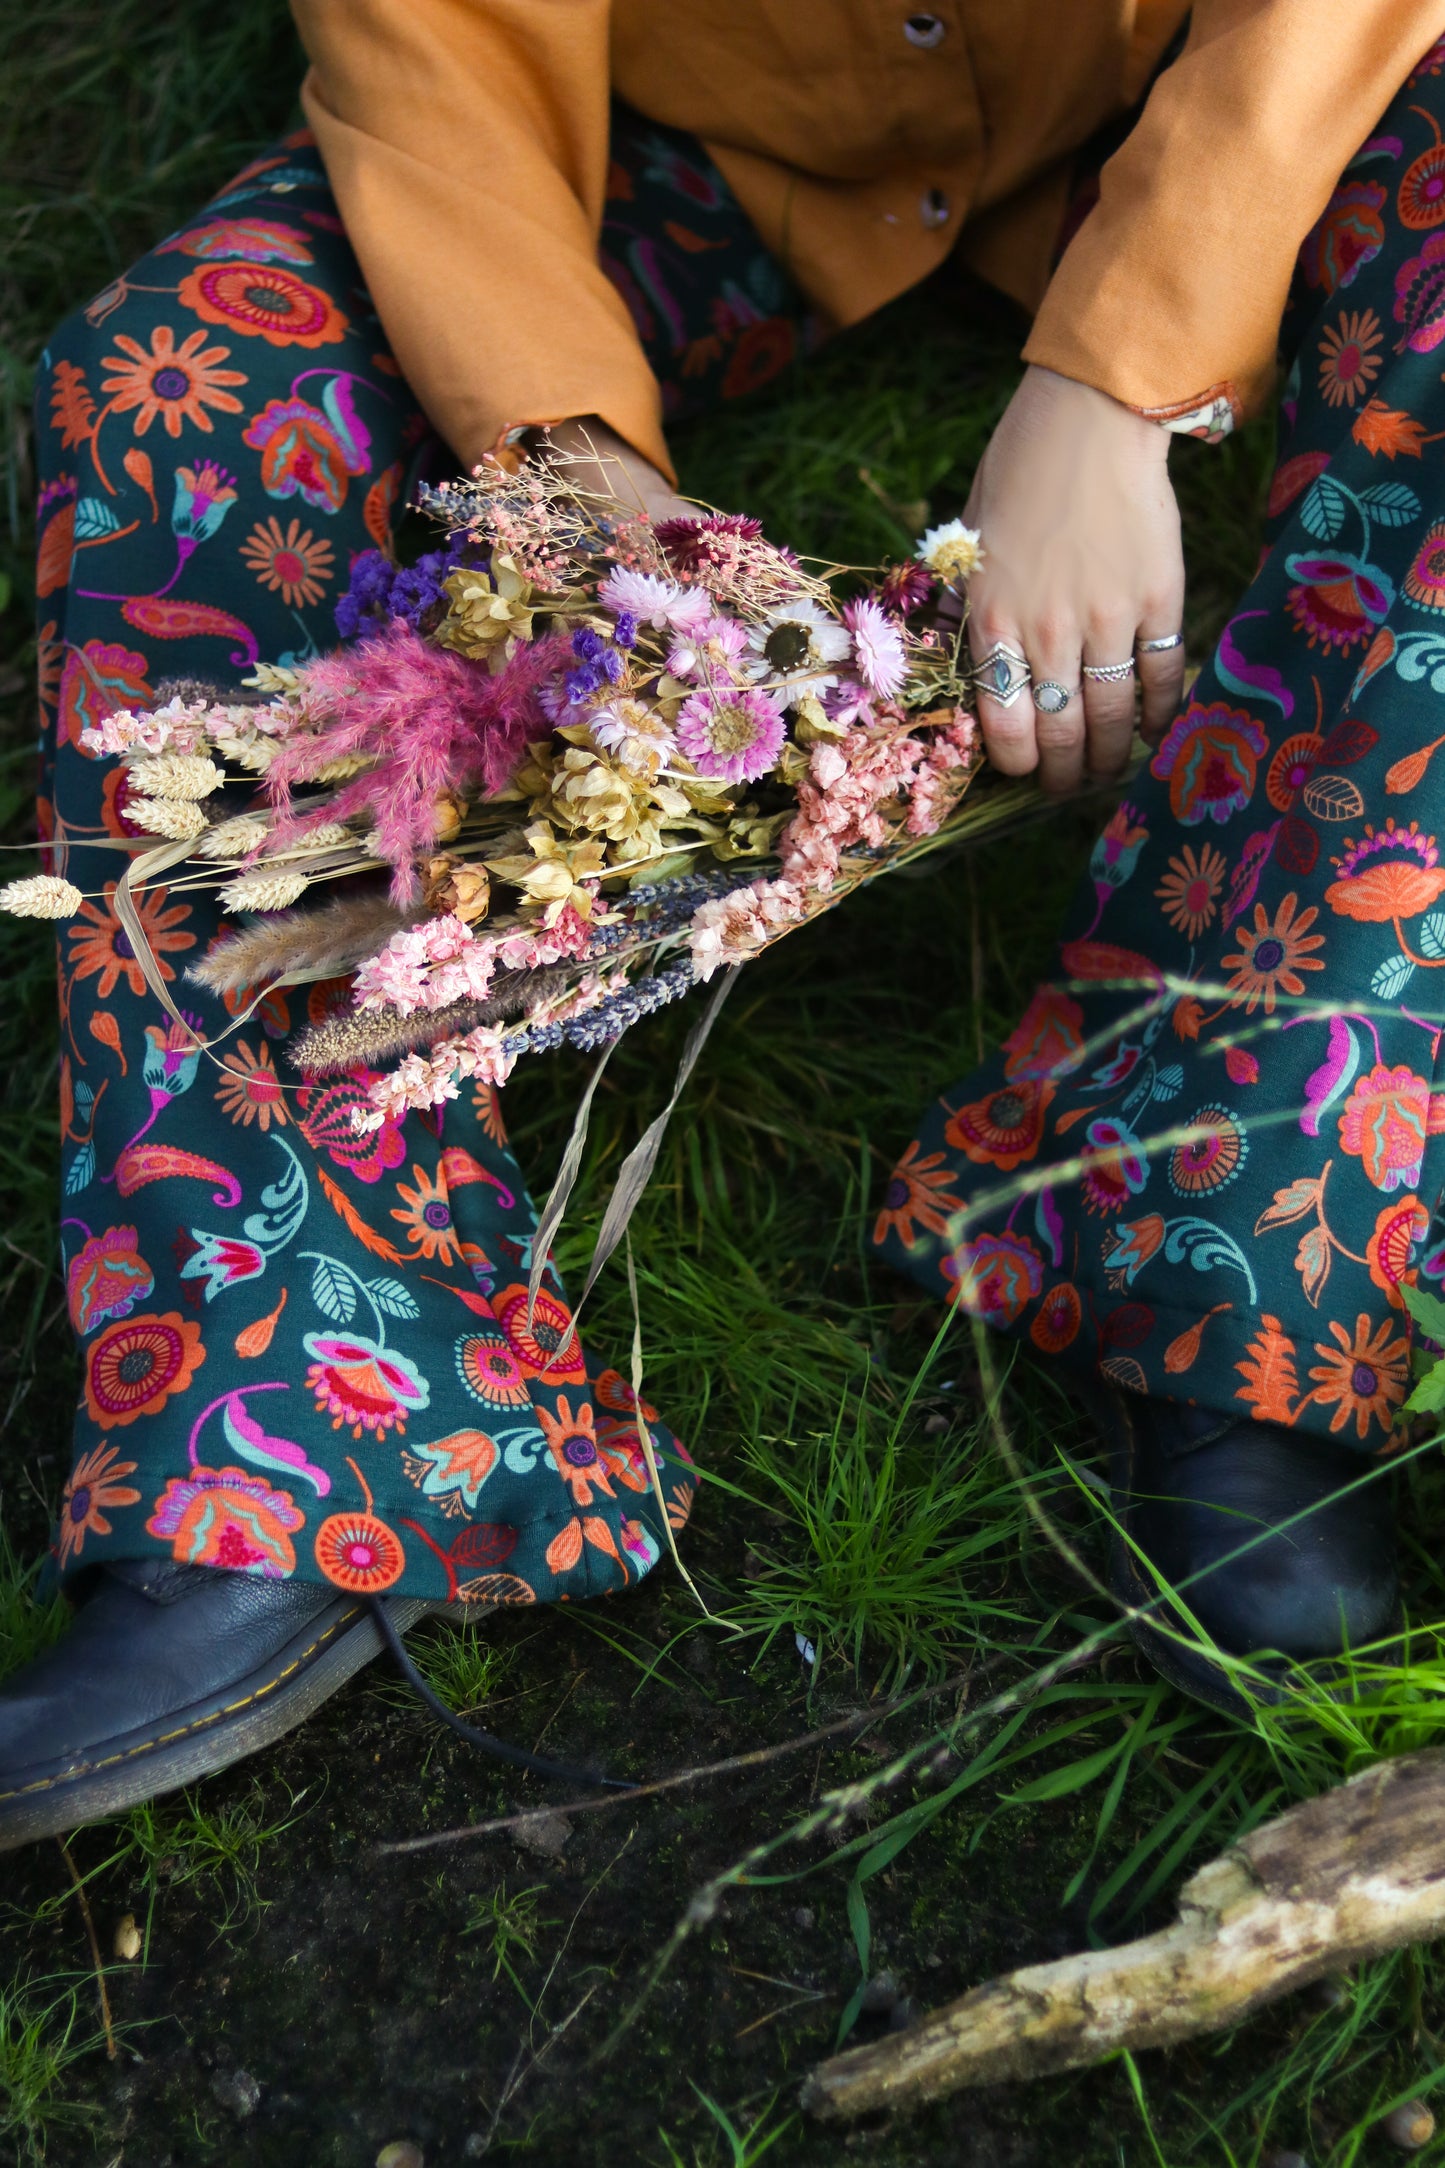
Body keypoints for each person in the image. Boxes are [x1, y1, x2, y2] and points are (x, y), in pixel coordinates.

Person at [3, 0, 1440, 1847]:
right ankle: (292, 1391)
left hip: (1235, 81)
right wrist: (562, 459)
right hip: (698, 135)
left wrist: (1118, 370)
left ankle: (1249, 1248)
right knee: (183, 378)